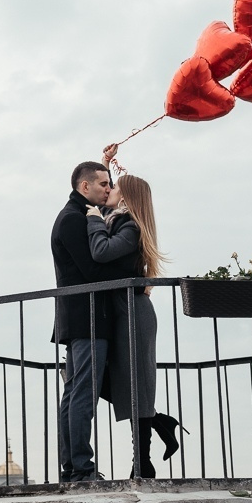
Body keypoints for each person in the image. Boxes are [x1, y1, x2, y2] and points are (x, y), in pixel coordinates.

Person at [85, 145, 181, 477]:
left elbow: (102, 251)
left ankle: (142, 464)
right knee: (110, 381)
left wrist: (94, 221)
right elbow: (98, 196)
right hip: (118, 310)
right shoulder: (116, 219)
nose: (108, 190)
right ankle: (160, 422)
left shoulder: (130, 227)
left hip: (133, 313)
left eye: (114, 188)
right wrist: (105, 162)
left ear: (125, 199)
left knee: (136, 385)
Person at [51, 160, 124, 482]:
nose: (109, 189)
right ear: (85, 187)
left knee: (74, 393)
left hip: (81, 318)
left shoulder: (78, 213)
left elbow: (102, 189)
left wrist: (106, 164)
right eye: (103, 184)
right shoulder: (73, 219)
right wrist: (133, 273)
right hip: (87, 318)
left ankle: (73, 467)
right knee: (82, 394)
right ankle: (81, 468)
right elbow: (92, 270)